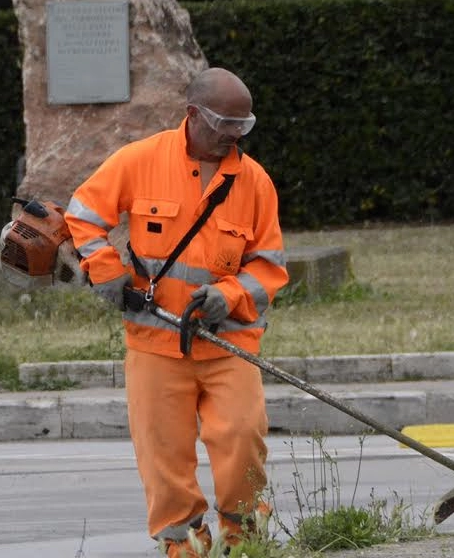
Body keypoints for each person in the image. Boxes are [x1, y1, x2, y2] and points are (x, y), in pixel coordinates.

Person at [64, 67, 288, 557]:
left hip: (228, 342)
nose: (233, 136)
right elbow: (82, 214)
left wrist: (226, 296)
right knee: (163, 453)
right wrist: (105, 270)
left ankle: (243, 539)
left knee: (241, 436)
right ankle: (184, 546)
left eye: (242, 126)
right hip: (154, 343)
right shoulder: (140, 160)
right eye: (224, 124)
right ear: (192, 114)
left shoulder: (254, 182)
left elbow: (269, 267)